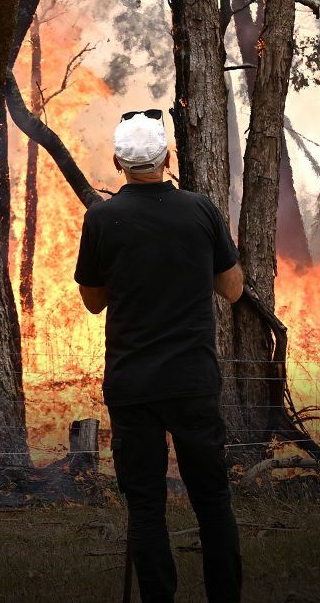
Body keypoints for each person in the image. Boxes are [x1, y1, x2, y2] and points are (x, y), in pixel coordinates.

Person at [74, 109, 245, 603]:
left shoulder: (103, 219)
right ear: (168, 158)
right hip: (193, 380)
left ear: (117, 163)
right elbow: (233, 290)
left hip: (133, 385)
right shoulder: (201, 210)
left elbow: (92, 301)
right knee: (212, 499)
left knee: (145, 505)